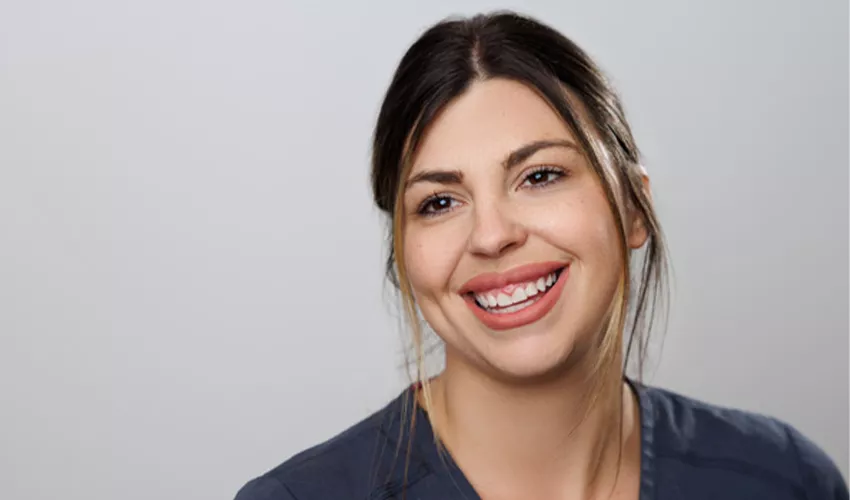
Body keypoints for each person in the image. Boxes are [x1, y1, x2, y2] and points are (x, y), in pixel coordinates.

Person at [235, 11, 848, 500]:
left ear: (634, 206)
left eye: (541, 175)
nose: (492, 234)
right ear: (403, 254)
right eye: (440, 202)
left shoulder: (784, 478)